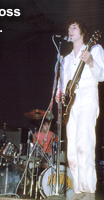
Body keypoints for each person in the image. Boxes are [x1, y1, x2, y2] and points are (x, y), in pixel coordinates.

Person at [56, 21, 104, 197]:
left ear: (83, 32)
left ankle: (89, 191)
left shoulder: (95, 49)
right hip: (72, 104)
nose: (70, 30)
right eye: (68, 28)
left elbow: (101, 75)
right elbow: (65, 83)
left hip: (88, 97)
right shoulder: (67, 58)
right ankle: (78, 191)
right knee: (72, 153)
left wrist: (90, 61)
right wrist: (61, 95)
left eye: (74, 27)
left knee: (85, 145)